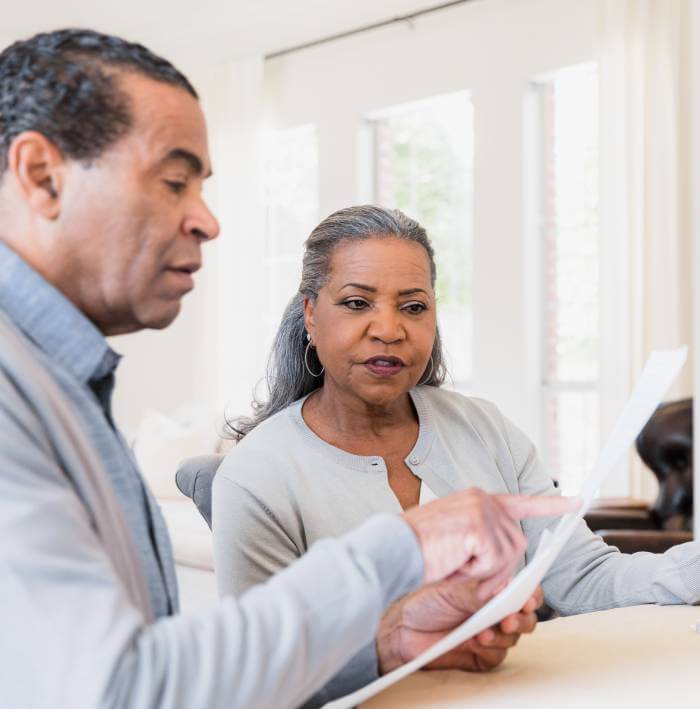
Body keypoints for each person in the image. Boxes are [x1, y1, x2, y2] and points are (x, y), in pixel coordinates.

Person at [0, 30, 575, 709]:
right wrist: (400, 545)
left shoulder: (59, 384)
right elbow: (119, 690)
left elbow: (159, 671)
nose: (208, 221)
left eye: (413, 304)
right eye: (174, 181)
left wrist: (388, 641)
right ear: (42, 175)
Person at [213, 205, 700, 623]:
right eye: (357, 303)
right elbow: (265, 664)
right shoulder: (257, 474)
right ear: (311, 315)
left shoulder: (487, 430)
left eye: (414, 306)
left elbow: (585, 578)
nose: (389, 328)